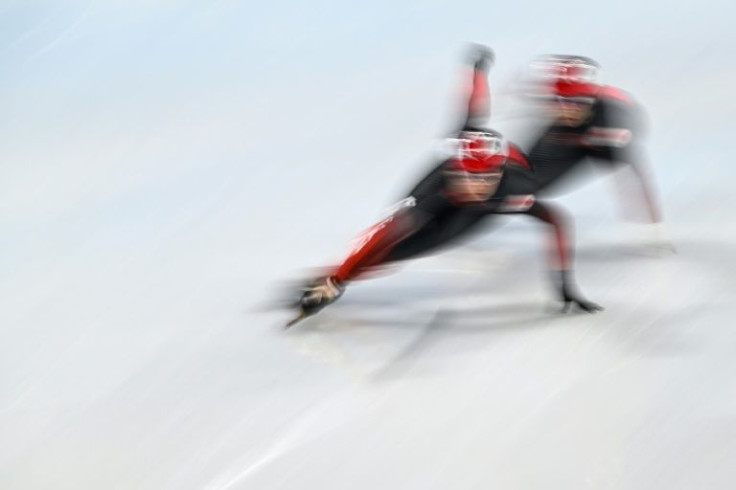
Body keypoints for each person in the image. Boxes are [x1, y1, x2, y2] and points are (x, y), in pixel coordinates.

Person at [286, 48, 601, 327]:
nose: (480, 185)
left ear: (499, 173)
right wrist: (475, 70)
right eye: (472, 177)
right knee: (394, 233)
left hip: (472, 214)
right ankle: (335, 275)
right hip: (438, 193)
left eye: (487, 177)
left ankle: (335, 277)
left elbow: (556, 221)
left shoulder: (514, 189)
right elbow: (472, 104)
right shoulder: (438, 183)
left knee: (406, 250)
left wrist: (564, 286)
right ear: (457, 170)